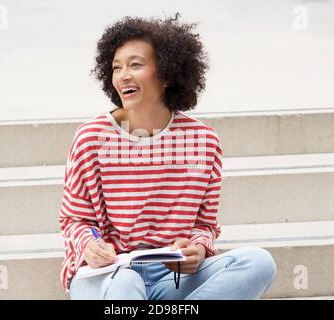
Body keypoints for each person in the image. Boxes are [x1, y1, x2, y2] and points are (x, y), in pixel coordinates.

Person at [59, 13, 277, 300]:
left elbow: (205, 225)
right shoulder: (91, 138)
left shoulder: (203, 141)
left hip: (172, 279)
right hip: (108, 276)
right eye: (116, 67)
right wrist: (89, 245)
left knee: (258, 263)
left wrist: (197, 249)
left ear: (167, 74)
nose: (123, 75)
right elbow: (74, 219)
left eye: (135, 65)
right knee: (125, 286)